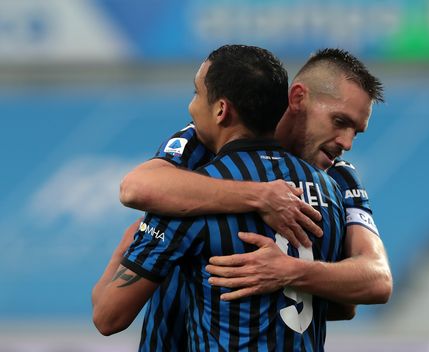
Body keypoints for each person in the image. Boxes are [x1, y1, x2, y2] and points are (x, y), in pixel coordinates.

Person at [115, 48, 392, 350]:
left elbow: (376, 280)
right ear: (298, 98)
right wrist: (260, 197)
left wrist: (291, 272)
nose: (347, 143)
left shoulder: (339, 179)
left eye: (357, 131)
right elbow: (135, 187)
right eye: (340, 121)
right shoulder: (209, 137)